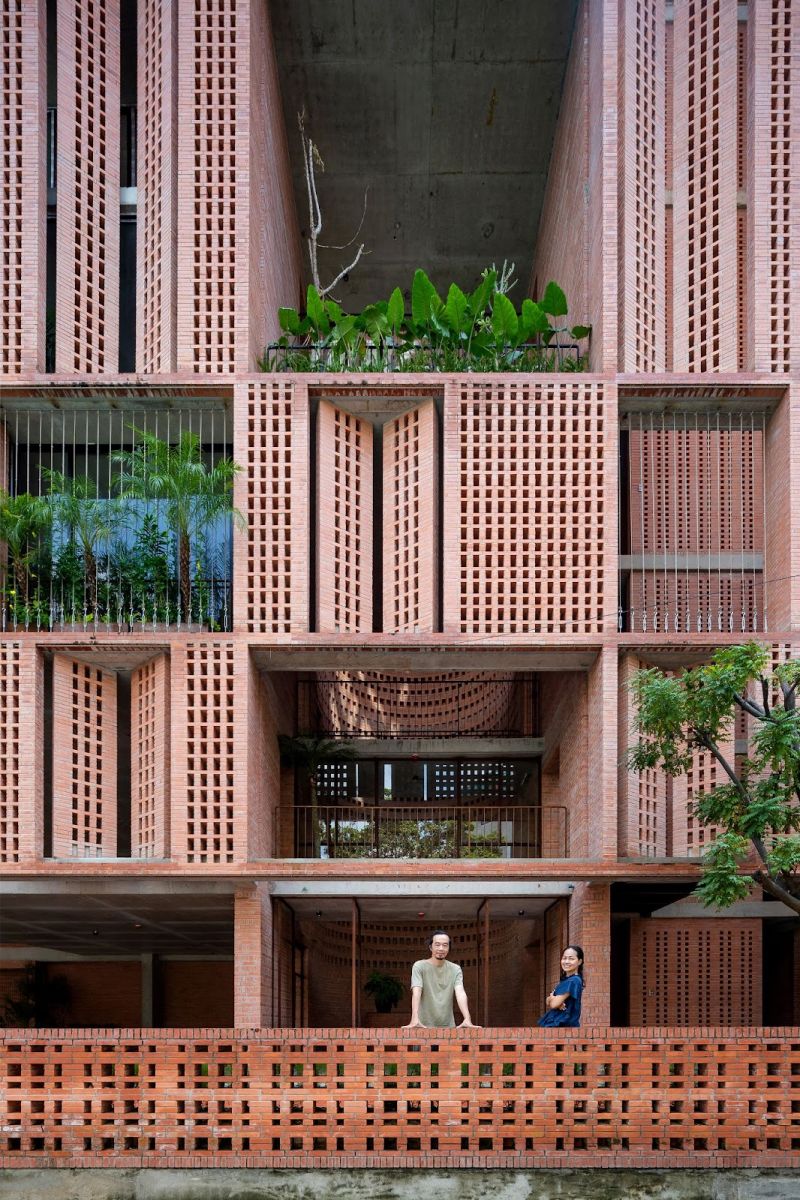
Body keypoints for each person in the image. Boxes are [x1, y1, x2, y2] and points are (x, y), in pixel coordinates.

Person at [402, 930, 478, 1028]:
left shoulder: (455, 969)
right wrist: (414, 1018)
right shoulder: (419, 966)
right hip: (422, 1026)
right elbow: (416, 992)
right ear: (430, 947)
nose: (441, 948)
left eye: (445, 945)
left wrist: (467, 1018)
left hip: (448, 1026)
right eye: (437, 945)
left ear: (449, 948)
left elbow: (460, 993)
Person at [537, 945, 584, 1027]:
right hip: (559, 1026)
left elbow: (553, 1004)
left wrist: (553, 1000)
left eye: (571, 958)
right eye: (564, 958)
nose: (566, 961)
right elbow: (547, 1001)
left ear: (579, 961)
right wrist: (554, 1000)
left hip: (564, 1027)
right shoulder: (566, 980)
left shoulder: (573, 980)